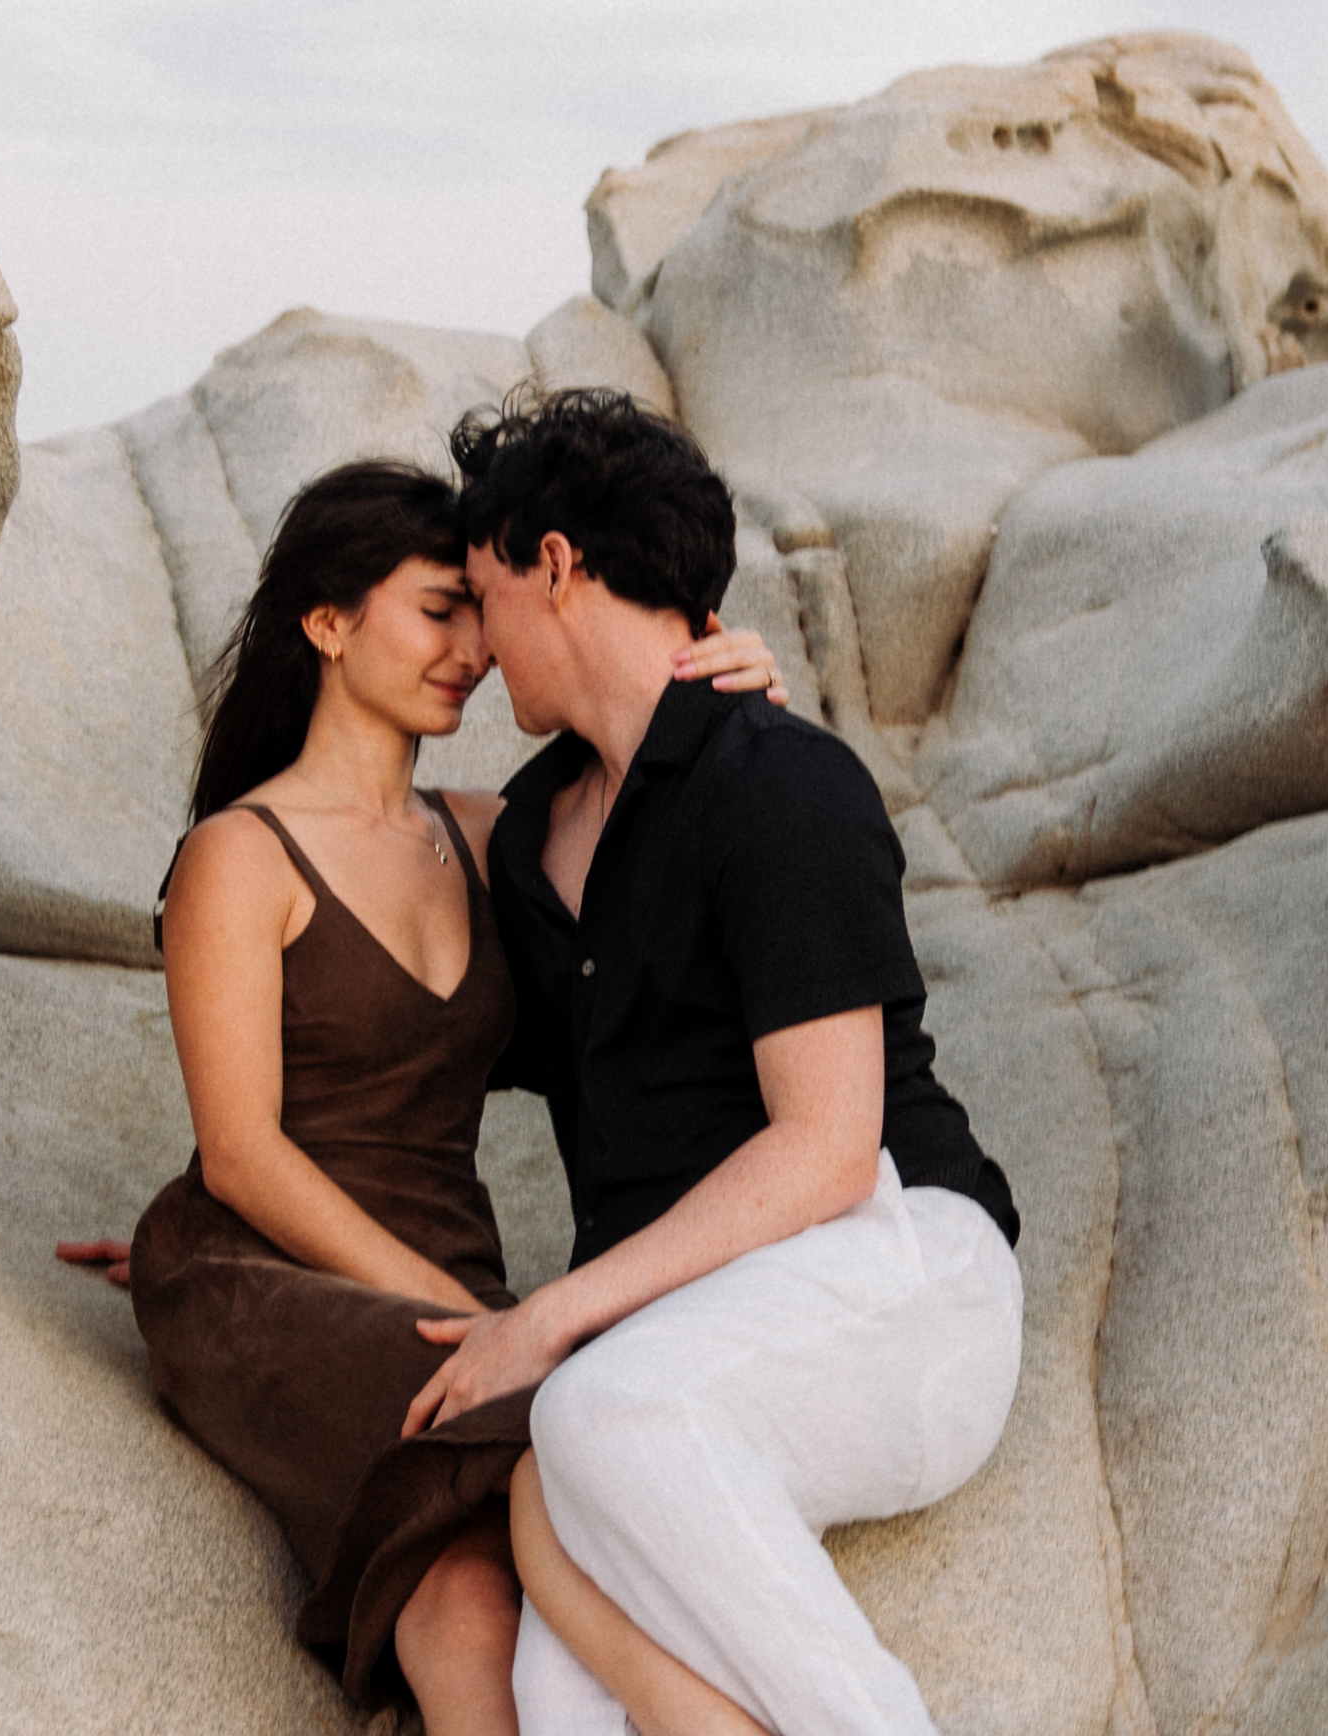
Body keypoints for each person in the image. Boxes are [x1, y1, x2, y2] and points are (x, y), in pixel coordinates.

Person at [63, 460, 782, 1734]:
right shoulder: (241, 855)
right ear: (329, 623)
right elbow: (241, 1160)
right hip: (274, 1267)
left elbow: (670, 835)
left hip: (442, 1273)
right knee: (566, 1451)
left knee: (465, 1594)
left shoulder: (483, 830)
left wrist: (728, 692)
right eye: (436, 611)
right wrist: (470, 1317)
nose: (474, 652)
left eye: (478, 615)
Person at [402, 389, 1024, 1736]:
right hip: (693, 1332)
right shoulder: (526, 838)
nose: (479, 645)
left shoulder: (779, 781)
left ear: (556, 567)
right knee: (560, 1692)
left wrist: (549, 1317)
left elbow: (825, 1147)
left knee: (592, 1414)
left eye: (486, 594)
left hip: (901, 1272)